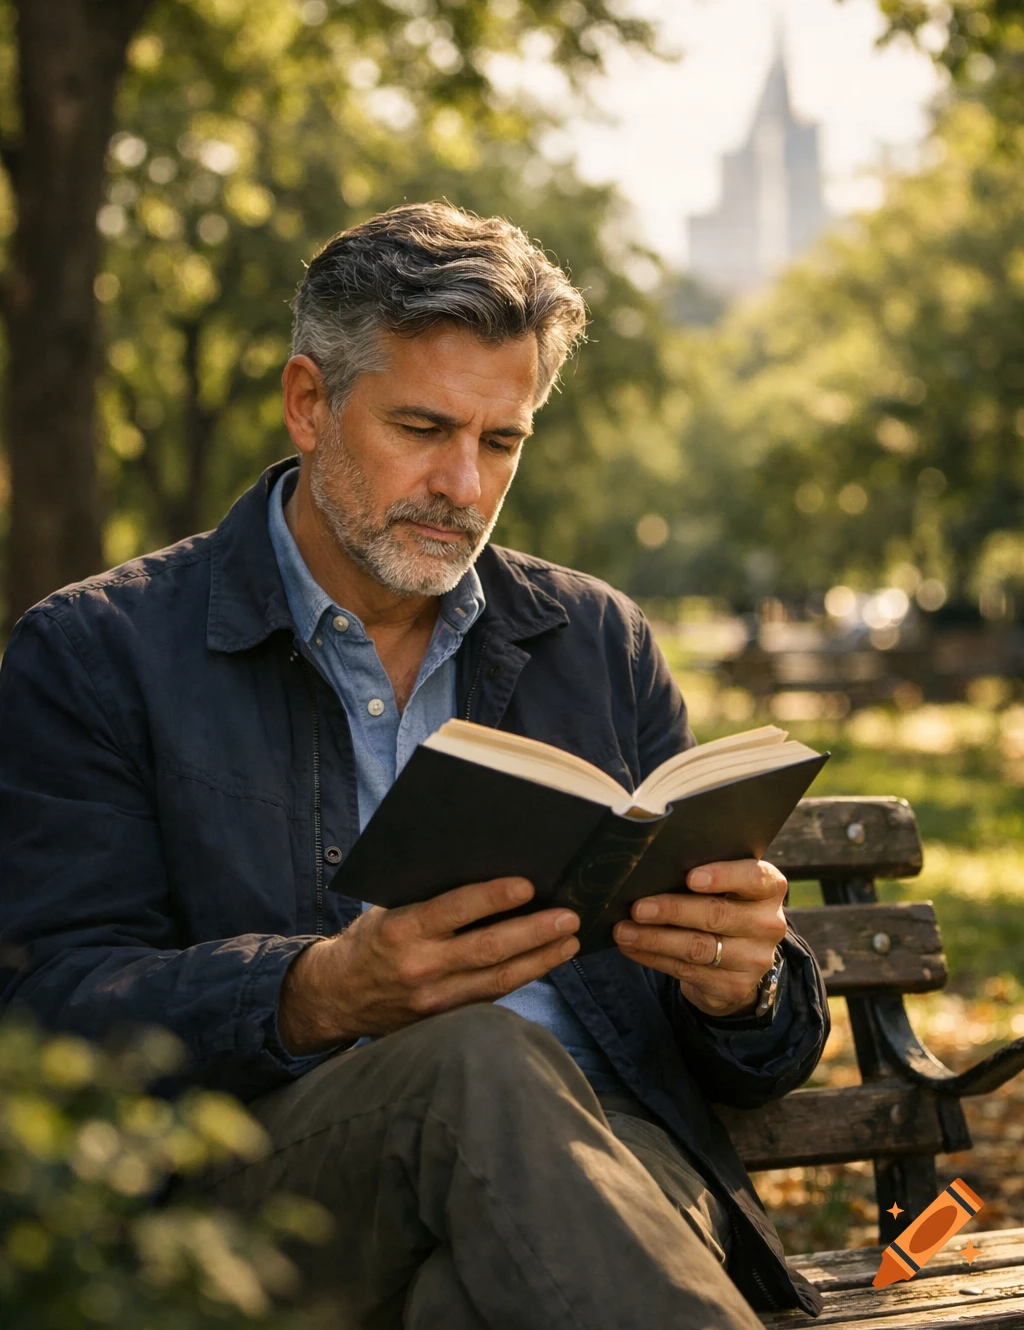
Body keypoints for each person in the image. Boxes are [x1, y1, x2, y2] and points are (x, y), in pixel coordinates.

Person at [0, 203, 829, 1329]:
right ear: (309, 403)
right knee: (473, 1064)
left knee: (465, 1300)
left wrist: (746, 992)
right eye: (423, 428)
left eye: (502, 442)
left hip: (614, 1178)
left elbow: (754, 1063)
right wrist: (310, 994)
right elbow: (42, 1014)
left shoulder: (594, 641)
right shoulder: (99, 652)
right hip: (274, 1205)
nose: (466, 488)